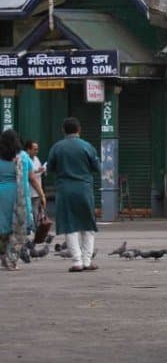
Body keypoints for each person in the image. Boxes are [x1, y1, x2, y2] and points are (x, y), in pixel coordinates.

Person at [44, 117, 101, 272]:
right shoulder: (87, 146)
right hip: (84, 189)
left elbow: (50, 167)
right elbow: (97, 167)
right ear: (79, 129)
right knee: (88, 225)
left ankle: (77, 262)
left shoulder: (57, 147)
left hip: (65, 190)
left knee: (70, 225)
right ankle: (87, 261)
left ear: (63, 130)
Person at [0, 129, 34, 271]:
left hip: (1, 194)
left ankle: (3, 257)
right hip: (17, 194)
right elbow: (30, 178)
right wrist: (41, 195)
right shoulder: (23, 157)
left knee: (2, 227)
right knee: (17, 228)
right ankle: (11, 260)